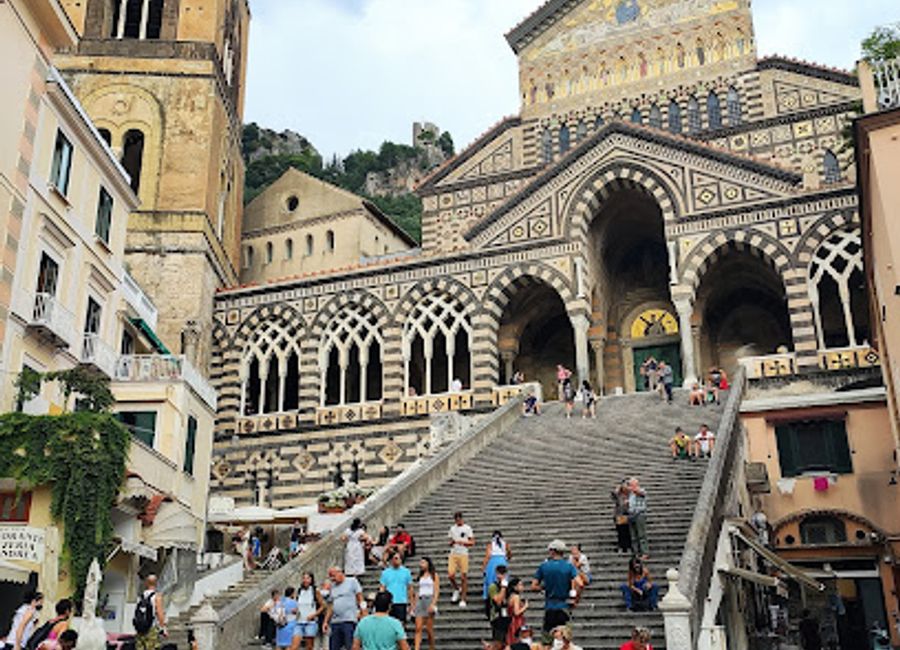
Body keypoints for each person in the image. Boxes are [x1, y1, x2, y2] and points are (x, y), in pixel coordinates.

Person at [531, 540, 577, 644]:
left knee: (547, 639)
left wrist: (544, 588)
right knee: (565, 639)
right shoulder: (569, 566)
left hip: (550, 606)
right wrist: (574, 598)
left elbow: (533, 586)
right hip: (563, 605)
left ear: (552, 551)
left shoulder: (544, 566)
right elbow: (580, 583)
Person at [323, 566, 365, 650]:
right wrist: (326, 621)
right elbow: (330, 605)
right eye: (330, 577)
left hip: (349, 620)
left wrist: (363, 612)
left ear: (340, 573)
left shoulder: (352, 581)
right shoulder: (332, 586)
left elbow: (360, 598)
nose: (332, 579)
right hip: (335, 622)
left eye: (333, 576)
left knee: (350, 645)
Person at [447, 511, 475, 608]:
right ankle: (457, 589)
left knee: (463, 577)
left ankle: (463, 598)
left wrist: (463, 542)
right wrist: (452, 543)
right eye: (456, 520)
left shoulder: (467, 528)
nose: (458, 521)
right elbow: (450, 541)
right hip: (453, 554)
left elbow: (472, 542)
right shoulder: (452, 528)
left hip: (463, 554)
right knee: (450, 575)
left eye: (459, 519)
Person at [290, 573, 325, 650]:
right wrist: (295, 610)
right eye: (304, 578)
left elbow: (323, 606)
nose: (305, 580)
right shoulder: (299, 591)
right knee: (294, 646)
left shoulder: (315, 591)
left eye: (307, 578)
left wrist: (314, 615)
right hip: (299, 621)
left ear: (311, 580)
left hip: (310, 622)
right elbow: (297, 604)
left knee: (309, 646)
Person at [412, 557, 439, 650]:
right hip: (420, 600)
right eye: (421, 563)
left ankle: (432, 647)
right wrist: (414, 604)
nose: (421, 564)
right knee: (418, 627)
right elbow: (418, 591)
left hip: (429, 599)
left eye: (423, 562)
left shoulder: (434, 575)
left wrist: (433, 603)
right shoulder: (420, 576)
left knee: (429, 628)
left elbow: (436, 591)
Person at [379, 552, 414, 624]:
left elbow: (410, 588)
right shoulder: (385, 573)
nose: (397, 560)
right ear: (391, 560)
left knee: (401, 623)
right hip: (389, 602)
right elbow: (382, 588)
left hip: (401, 602)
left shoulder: (406, 572)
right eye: (395, 558)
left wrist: (411, 603)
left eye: (398, 558)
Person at [136, 575, 166, 650]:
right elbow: (160, 613)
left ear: (146, 583)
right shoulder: (157, 596)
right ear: (156, 583)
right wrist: (163, 628)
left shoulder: (141, 596)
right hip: (151, 628)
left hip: (140, 628)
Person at [481, 530, 510, 605]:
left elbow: (487, 556)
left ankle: (491, 597)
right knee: (503, 579)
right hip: (502, 561)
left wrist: (483, 567)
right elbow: (509, 554)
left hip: (493, 562)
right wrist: (506, 558)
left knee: (491, 579)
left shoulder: (491, 545)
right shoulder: (505, 544)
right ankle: (503, 597)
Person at [487, 565, 511, 650]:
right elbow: (498, 601)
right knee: (498, 641)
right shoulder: (493, 587)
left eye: (504, 574)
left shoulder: (509, 586)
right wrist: (503, 587)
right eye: (500, 574)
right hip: (497, 617)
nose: (502, 576)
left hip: (507, 616)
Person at [627, 478, 649, 559]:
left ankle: (645, 552)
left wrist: (634, 490)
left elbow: (642, 493)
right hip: (631, 515)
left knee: (641, 535)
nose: (629, 486)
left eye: (630, 484)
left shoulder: (641, 490)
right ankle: (635, 553)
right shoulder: (630, 494)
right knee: (633, 536)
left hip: (639, 515)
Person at [505, 578, 528, 648]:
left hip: (512, 621)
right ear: (515, 587)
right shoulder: (516, 597)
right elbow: (516, 612)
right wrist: (525, 607)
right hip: (517, 622)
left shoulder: (511, 596)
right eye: (520, 585)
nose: (522, 586)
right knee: (517, 641)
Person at [611, 482, 632, 554]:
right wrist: (617, 490)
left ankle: (628, 546)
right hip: (619, 515)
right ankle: (621, 546)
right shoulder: (618, 495)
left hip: (627, 514)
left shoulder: (630, 495)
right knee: (620, 531)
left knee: (627, 531)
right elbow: (613, 495)